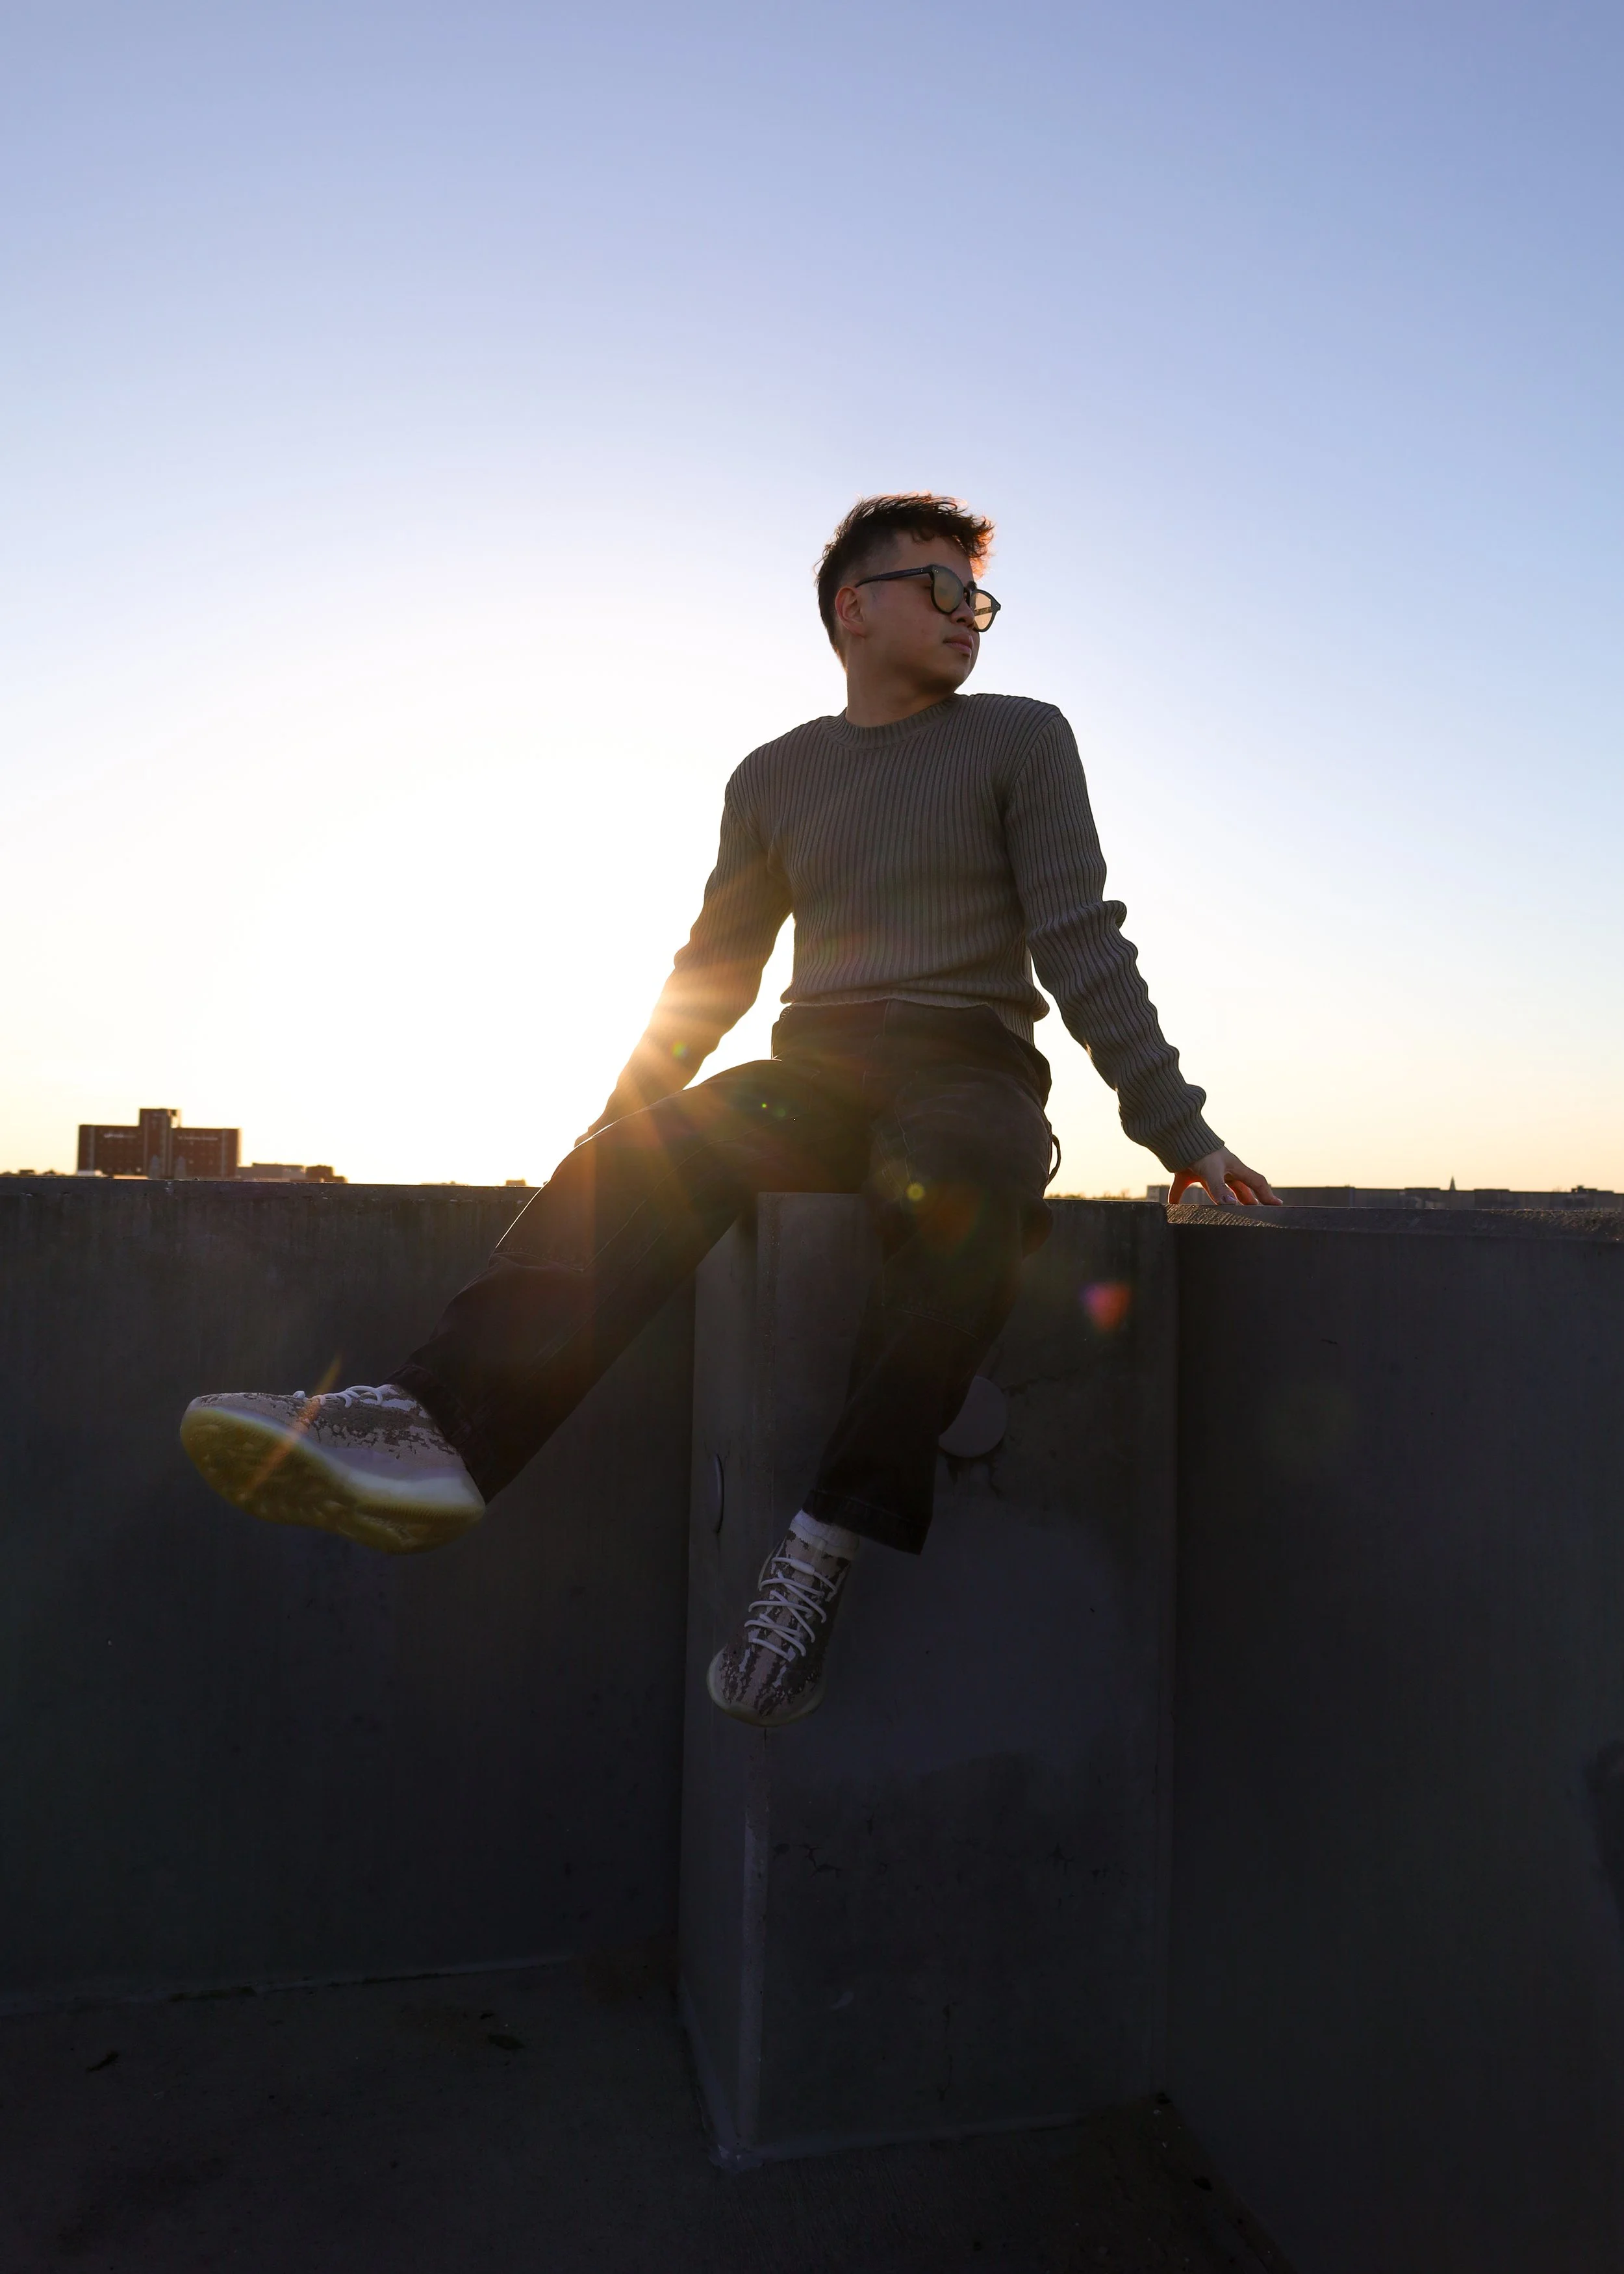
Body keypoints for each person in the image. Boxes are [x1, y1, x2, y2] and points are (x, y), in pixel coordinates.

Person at [181, 493, 1277, 1728]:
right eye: (943, 589)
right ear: (853, 608)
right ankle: (439, 1429)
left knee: (970, 1181)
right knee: (651, 1154)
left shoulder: (1022, 739)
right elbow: (715, 968)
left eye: (982, 598)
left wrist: (1179, 1129)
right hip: (813, 1072)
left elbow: (1082, 940)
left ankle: (819, 1552)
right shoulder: (773, 777)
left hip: (967, 1064)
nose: (973, 615)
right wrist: (615, 1125)